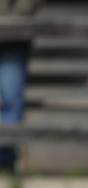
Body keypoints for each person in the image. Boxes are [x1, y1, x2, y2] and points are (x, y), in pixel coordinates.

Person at [0, 0, 43, 172]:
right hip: (15, 32)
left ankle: (5, 161)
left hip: (15, 36)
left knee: (10, 99)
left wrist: (15, 18)